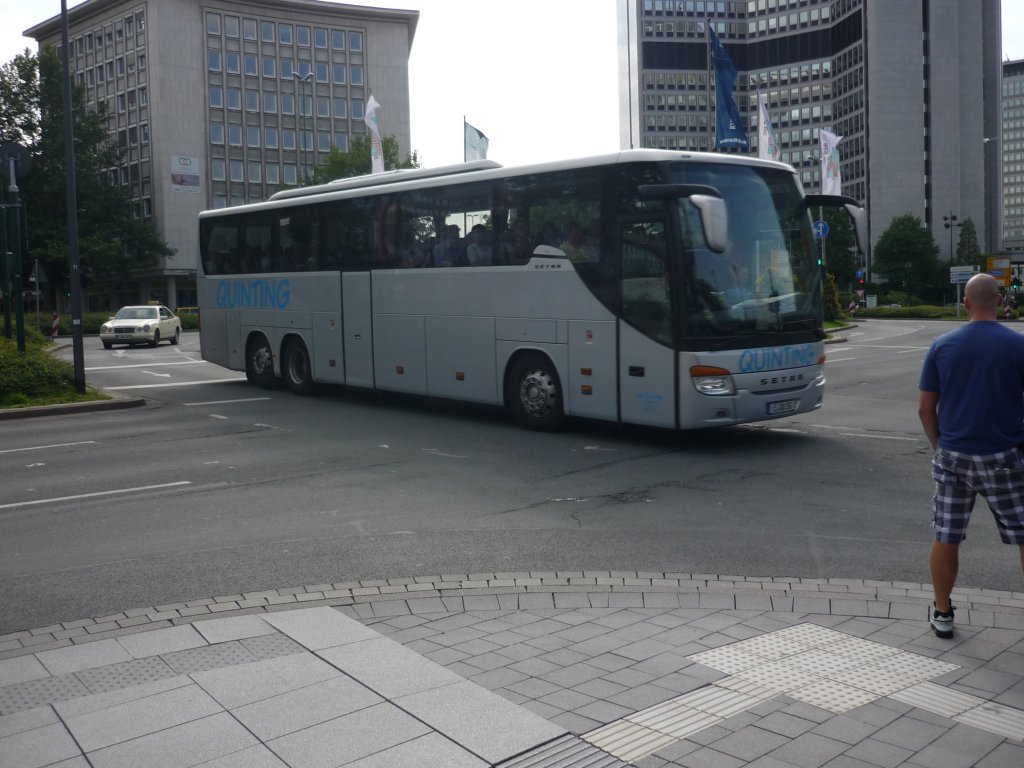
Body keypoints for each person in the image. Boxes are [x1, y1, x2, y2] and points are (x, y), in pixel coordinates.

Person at [917, 273, 1024, 638]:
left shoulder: (942, 346)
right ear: (1000, 301)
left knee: (947, 535)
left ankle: (943, 613)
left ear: (965, 303)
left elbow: (925, 408)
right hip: (1004, 457)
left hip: (953, 456)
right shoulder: (1018, 345)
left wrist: (940, 447)